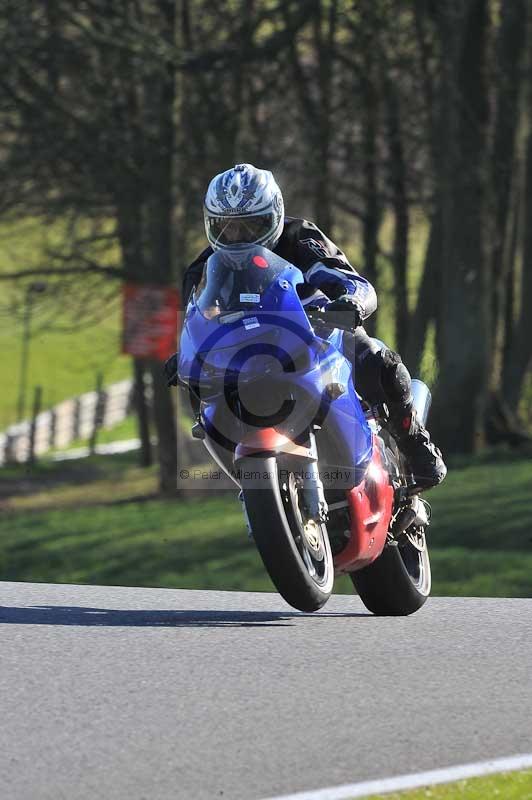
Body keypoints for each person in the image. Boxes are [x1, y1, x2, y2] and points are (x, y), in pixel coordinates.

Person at [166, 163, 446, 489]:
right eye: (227, 228)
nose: (238, 238)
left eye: (251, 226)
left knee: (375, 358)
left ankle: (415, 443)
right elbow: (197, 318)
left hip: (318, 329)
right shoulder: (202, 270)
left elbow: (350, 281)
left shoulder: (300, 239)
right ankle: (256, 487)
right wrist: (186, 355)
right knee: (205, 397)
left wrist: (351, 302)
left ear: (274, 216)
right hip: (244, 352)